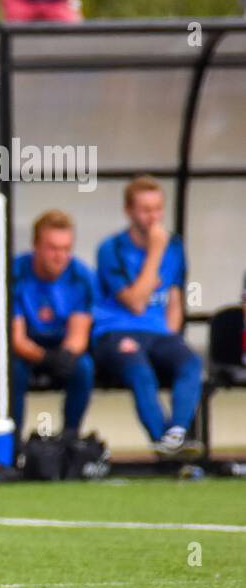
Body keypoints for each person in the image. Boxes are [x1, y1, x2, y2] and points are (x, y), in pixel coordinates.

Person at [92, 176, 204, 459]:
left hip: (159, 333)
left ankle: (175, 433)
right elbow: (135, 303)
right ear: (129, 211)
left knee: (191, 363)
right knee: (140, 371)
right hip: (117, 331)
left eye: (158, 209)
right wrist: (155, 250)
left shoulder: (175, 246)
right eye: (145, 209)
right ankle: (163, 444)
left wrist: (170, 336)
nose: (153, 217)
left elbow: (175, 297)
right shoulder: (111, 249)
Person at [10, 210, 94, 439]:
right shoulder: (14, 273)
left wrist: (65, 356)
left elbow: (79, 334)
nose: (60, 256)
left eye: (66, 249)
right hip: (26, 347)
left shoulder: (82, 276)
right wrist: (46, 358)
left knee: (83, 368)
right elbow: (16, 339)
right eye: (53, 248)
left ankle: (69, 437)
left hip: (62, 345)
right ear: (35, 246)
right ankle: (13, 442)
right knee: (13, 370)